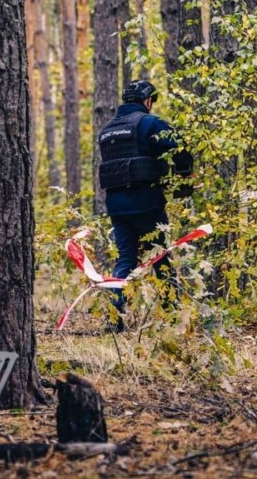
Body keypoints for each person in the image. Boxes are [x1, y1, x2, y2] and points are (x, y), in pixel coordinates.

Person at [98, 80, 193, 331]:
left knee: (125, 260)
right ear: (146, 100)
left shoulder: (106, 130)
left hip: (117, 207)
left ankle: (114, 319)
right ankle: (171, 319)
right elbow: (180, 147)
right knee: (161, 258)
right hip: (147, 204)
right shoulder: (149, 123)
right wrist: (185, 178)